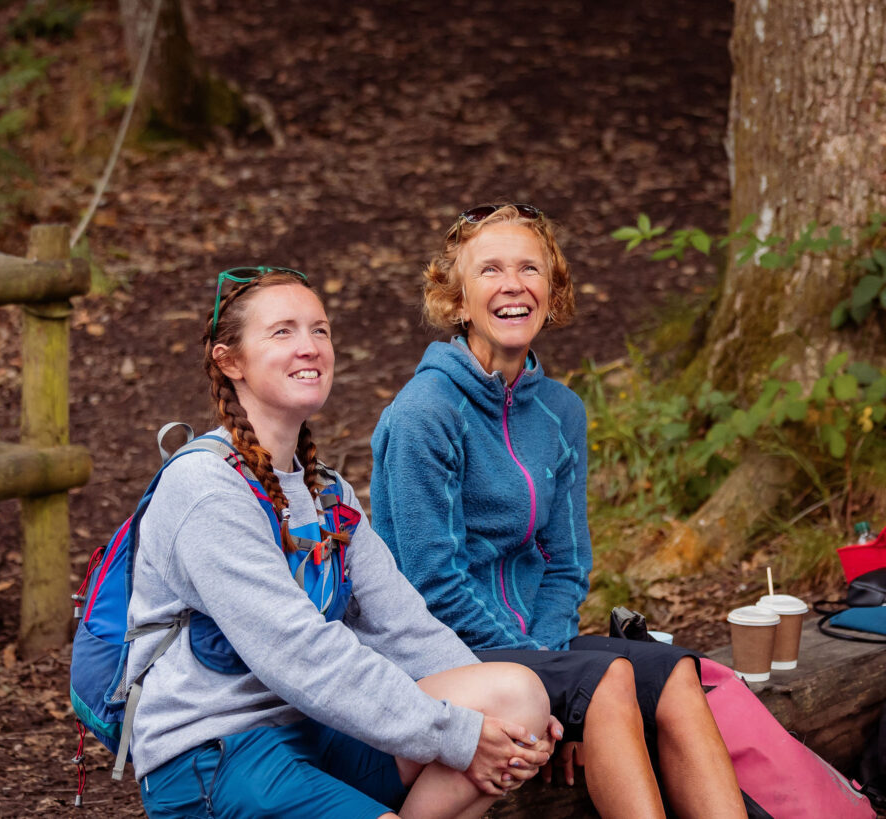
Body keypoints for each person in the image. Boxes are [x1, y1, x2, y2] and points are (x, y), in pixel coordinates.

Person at [125, 266, 557, 819]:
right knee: (475, 739)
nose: (309, 347)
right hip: (216, 752)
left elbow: (405, 627)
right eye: (282, 332)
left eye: (320, 330)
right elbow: (301, 657)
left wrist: (503, 729)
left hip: (315, 727)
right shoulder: (205, 491)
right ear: (229, 360)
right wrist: (458, 733)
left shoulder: (325, 491)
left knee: (515, 699)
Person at [370, 205, 747, 818]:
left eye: (530, 268)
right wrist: (555, 681)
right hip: (445, 656)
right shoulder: (424, 414)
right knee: (609, 680)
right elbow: (430, 584)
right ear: (458, 300)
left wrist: (552, 664)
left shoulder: (561, 411)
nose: (513, 284)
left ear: (553, 290)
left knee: (676, 671)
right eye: (489, 270)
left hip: (532, 645)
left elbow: (565, 562)